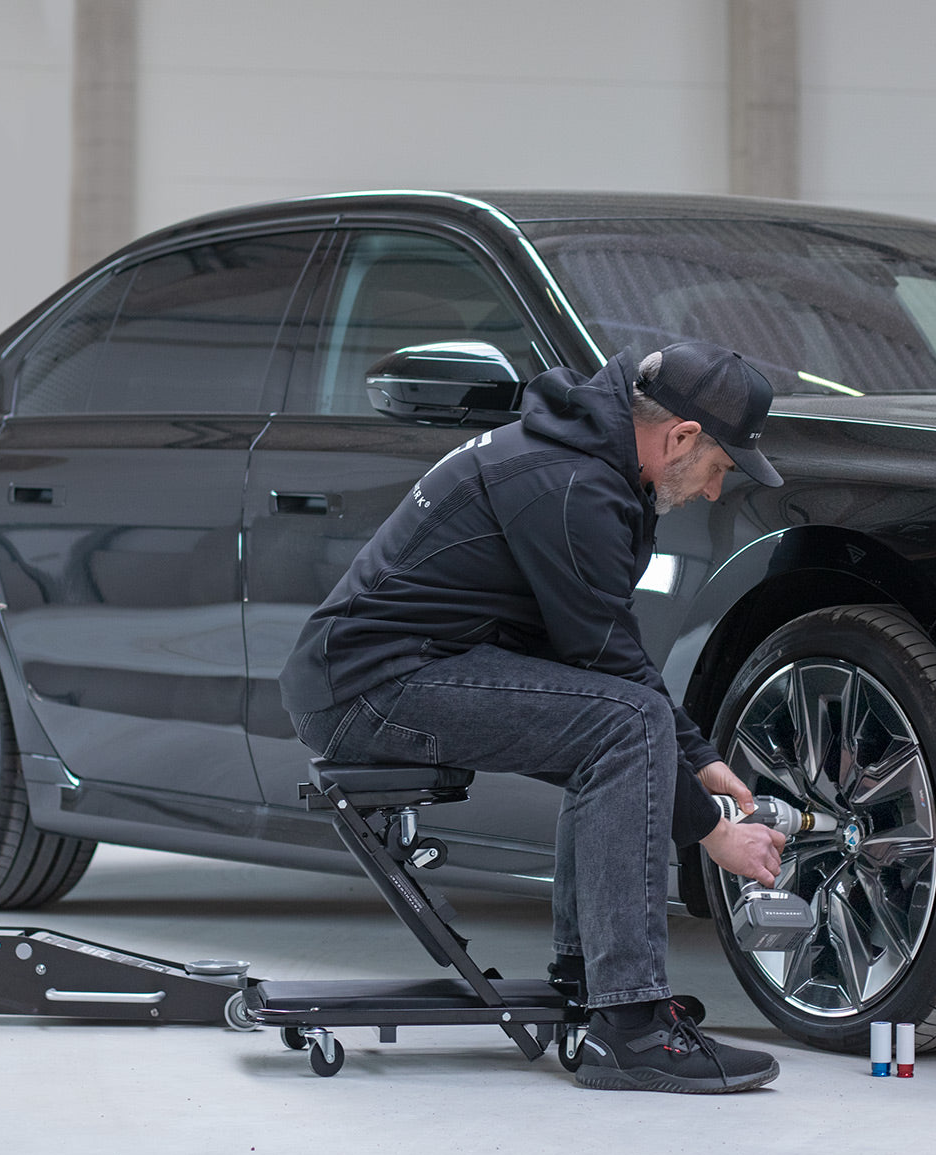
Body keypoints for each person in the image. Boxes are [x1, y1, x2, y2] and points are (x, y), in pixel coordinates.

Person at [280, 339, 787, 1094]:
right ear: (680, 437)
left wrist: (701, 757)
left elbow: (612, 654)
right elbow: (611, 669)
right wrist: (714, 832)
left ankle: (601, 988)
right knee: (622, 727)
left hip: (391, 673)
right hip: (372, 691)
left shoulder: (585, 461)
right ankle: (632, 1027)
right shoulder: (573, 484)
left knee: (622, 729)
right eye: (719, 468)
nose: (714, 491)